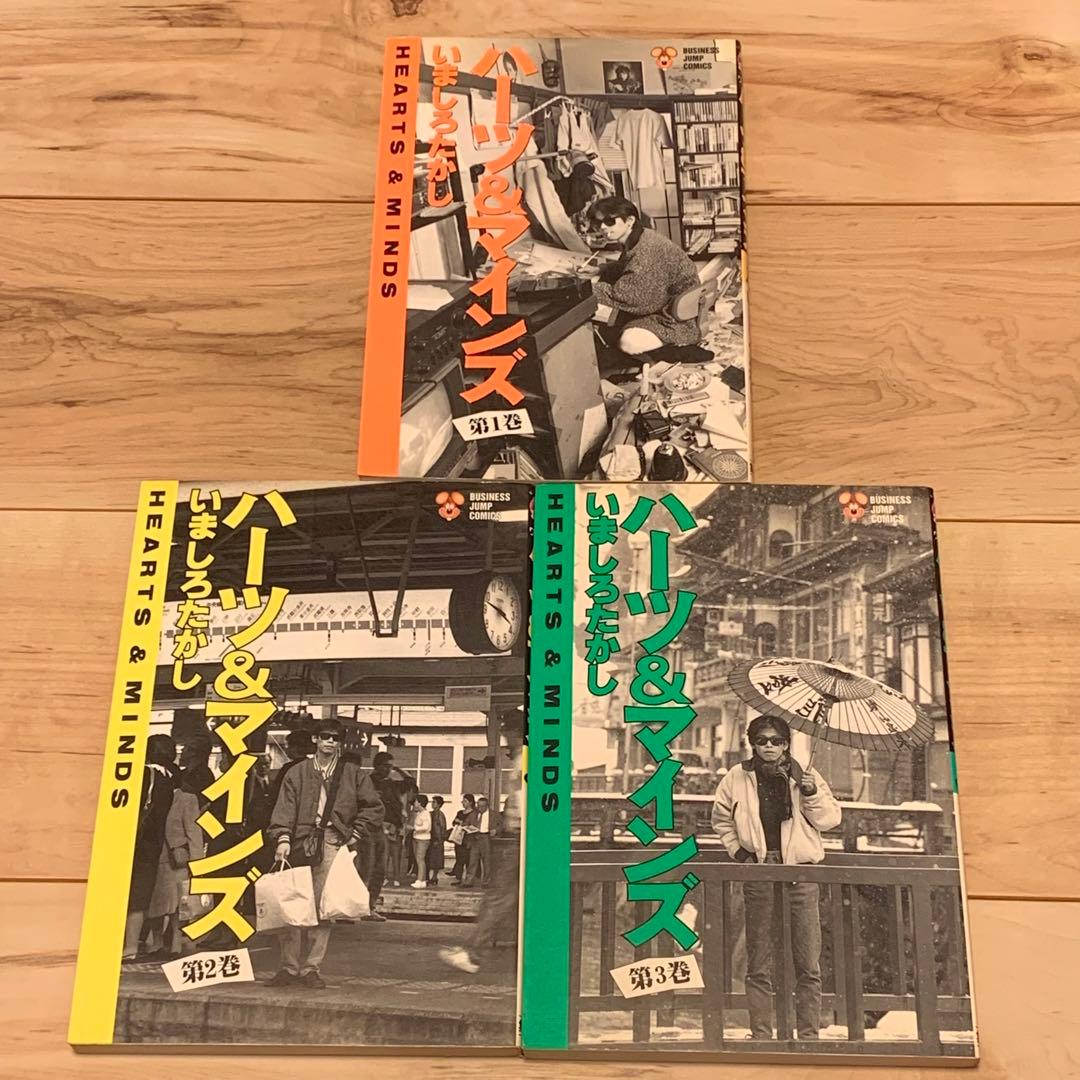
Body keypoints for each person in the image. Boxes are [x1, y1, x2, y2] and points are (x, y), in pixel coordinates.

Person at [711, 715, 842, 1041]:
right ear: (752, 743)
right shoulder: (737, 777)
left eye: (777, 740)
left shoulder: (805, 775)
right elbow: (721, 819)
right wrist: (740, 853)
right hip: (760, 871)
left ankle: (809, 1035)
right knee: (758, 959)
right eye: (762, 740)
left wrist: (811, 793)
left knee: (808, 959)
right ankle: (761, 1034)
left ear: (786, 744)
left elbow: (830, 820)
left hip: (801, 872)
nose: (769, 746)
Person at [267, 720, 385, 989]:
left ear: (340, 743)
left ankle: (310, 968)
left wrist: (355, 833)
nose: (330, 741)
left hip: (332, 840)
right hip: (297, 842)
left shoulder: (352, 774)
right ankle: (288, 967)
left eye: (335, 737)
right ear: (316, 740)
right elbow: (284, 807)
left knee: (323, 907)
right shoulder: (297, 772)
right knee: (291, 902)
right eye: (325, 736)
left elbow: (374, 807)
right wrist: (282, 838)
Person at [584, 196, 702, 358]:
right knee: (609, 320)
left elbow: (627, 296)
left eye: (610, 221)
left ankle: (674, 348)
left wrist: (584, 287)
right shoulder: (640, 236)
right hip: (668, 301)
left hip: (674, 318)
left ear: (630, 220)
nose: (603, 227)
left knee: (627, 342)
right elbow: (627, 266)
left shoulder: (646, 250)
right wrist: (600, 270)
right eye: (598, 223)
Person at [122, 734, 178, 961]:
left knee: (126, 893)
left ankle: (122, 944)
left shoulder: (144, 774)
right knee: (141, 896)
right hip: (153, 846)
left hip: (134, 843)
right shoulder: (172, 779)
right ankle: (131, 947)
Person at [145, 765, 205, 958]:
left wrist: (198, 864)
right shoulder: (154, 799)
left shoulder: (187, 799)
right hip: (157, 857)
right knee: (157, 903)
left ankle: (175, 944)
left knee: (178, 904)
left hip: (178, 858)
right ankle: (157, 943)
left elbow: (194, 832)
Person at [357, 750, 408, 920]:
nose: (388, 770)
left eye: (390, 767)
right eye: (386, 766)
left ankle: (369, 906)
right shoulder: (368, 782)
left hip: (387, 829)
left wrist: (398, 770)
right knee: (367, 868)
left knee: (380, 870)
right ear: (377, 766)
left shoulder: (391, 784)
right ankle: (359, 906)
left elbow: (410, 783)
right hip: (371, 828)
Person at [449, 794, 475, 883]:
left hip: (468, 838)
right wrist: (456, 822)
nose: (463, 803)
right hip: (459, 837)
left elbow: (472, 825)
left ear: (470, 802)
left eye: (465, 801)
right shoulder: (460, 812)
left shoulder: (474, 813)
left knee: (468, 858)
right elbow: (454, 822)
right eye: (463, 801)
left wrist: (461, 822)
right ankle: (458, 878)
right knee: (459, 858)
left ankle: (468, 879)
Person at [410, 794, 432, 889]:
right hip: (417, 838)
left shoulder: (425, 813)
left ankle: (420, 880)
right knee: (419, 859)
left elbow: (426, 827)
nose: (414, 803)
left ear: (419, 803)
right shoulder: (420, 813)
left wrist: (414, 828)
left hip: (423, 839)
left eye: (415, 801)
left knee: (420, 859)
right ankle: (422, 880)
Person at [427, 795, 447, 886]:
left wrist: (439, 839)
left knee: (436, 859)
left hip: (437, 840)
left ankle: (434, 877)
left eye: (434, 802)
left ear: (439, 804)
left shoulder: (440, 815)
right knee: (430, 858)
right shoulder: (431, 813)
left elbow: (442, 828)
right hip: (431, 838)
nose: (432, 804)